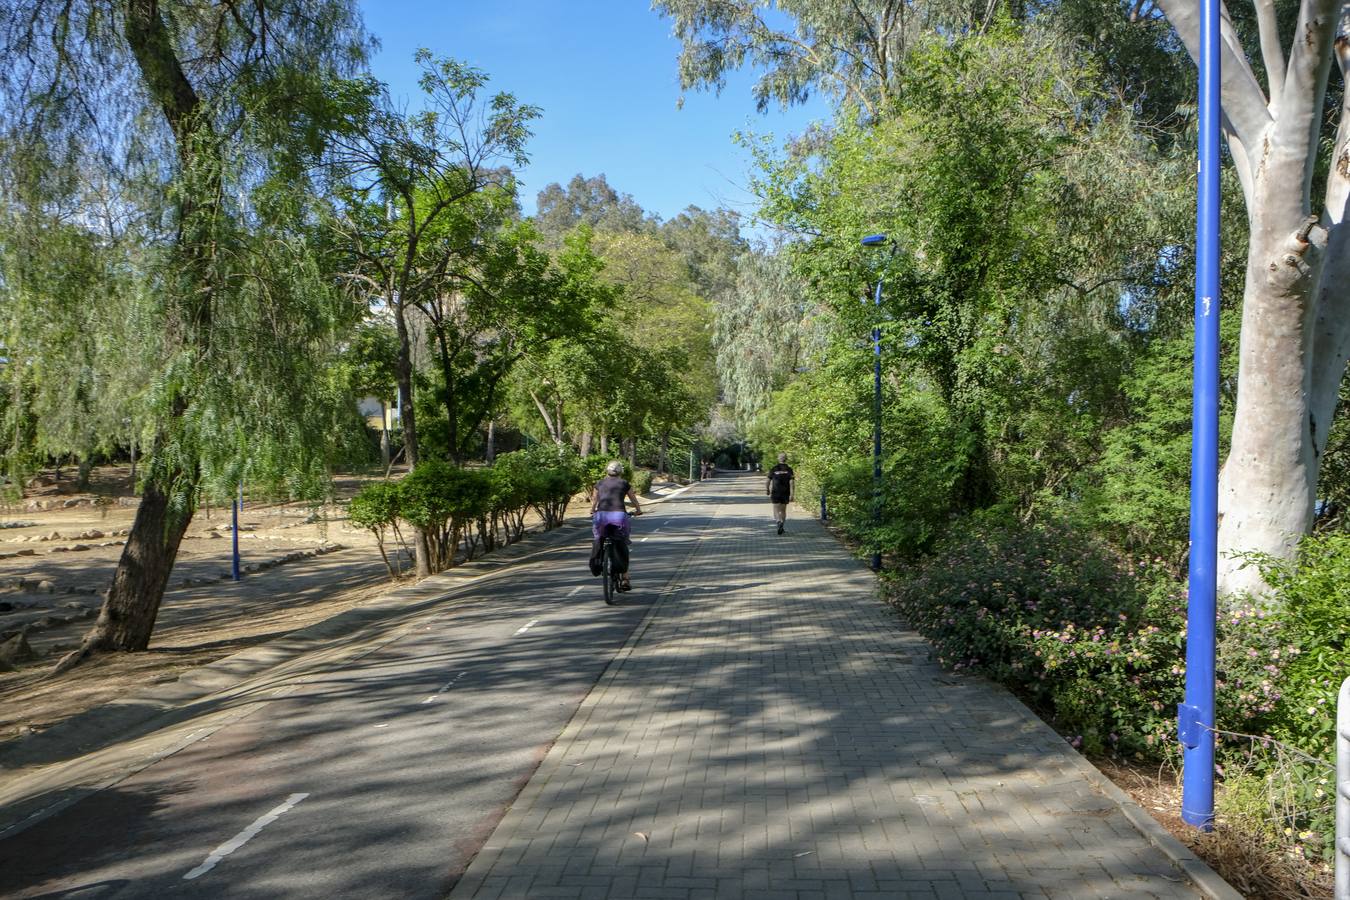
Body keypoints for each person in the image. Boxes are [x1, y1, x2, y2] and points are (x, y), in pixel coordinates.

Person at [590, 460, 642, 590]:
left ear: (607, 471)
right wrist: (638, 510)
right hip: (619, 517)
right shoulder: (624, 483)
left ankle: (598, 563)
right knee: (622, 543)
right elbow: (633, 498)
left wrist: (592, 510)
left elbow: (595, 499)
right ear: (620, 472)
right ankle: (625, 578)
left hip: (601, 517)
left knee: (598, 539)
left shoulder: (600, 483)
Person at [766, 453, 794, 535]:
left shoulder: (774, 469)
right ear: (786, 459)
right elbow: (792, 482)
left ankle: (778, 522)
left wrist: (767, 489)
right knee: (783, 510)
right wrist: (792, 494)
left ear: (778, 459)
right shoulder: (789, 469)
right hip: (785, 492)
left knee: (776, 509)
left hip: (775, 492)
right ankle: (782, 524)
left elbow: (768, 481)